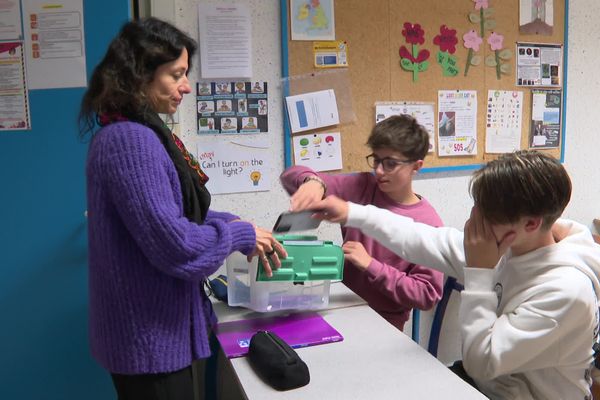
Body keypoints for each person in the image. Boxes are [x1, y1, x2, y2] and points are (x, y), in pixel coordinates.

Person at [79, 17, 286, 400]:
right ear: (139, 75)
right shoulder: (131, 141)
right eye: (176, 74)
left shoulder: (131, 131)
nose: (186, 86)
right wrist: (238, 233)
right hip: (149, 342)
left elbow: (169, 214)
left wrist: (236, 224)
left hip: (150, 337)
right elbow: (176, 245)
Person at [307, 150, 600, 400]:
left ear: (531, 224)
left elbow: (482, 361)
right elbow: (420, 238)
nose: (474, 221)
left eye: (486, 215)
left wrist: (480, 274)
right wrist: (350, 212)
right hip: (495, 385)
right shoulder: (511, 243)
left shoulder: (565, 290)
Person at [280, 115, 443, 331]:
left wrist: (371, 265)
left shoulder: (428, 223)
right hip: (340, 308)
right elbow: (290, 175)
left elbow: (426, 294)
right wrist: (313, 182)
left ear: (416, 166)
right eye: (376, 160)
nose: (379, 171)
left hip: (385, 323)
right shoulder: (362, 186)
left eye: (391, 163)